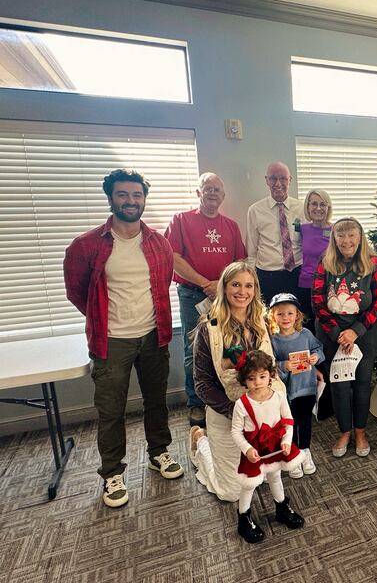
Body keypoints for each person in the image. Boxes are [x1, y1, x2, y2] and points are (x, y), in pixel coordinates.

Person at [63, 168, 182, 508]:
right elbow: (78, 293)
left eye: (137, 195)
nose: (131, 201)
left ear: (144, 199)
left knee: (156, 401)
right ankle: (112, 472)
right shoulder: (86, 246)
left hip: (153, 335)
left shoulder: (159, 243)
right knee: (111, 411)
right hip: (111, 341)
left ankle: (159, 452)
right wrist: (103, 319)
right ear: (111, 198)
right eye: (123, 195)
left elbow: (163, 284)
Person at [190, 261, 277, 503]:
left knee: (261, 479)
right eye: (235, 284)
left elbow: (272, 368)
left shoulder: (262, 322)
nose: (242, 291)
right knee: (230, 493)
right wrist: (236, 411)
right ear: (224, 288)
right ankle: (200, 441)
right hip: (227, 411)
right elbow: (202, 383)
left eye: (248, 285)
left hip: (260, 413)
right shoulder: (210, 328)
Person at [165, 172, 246, 428]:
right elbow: (173, 258)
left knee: (231, 345)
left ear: (223, 196)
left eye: (217, 190)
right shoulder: (181, 220)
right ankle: (196, 404)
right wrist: (205, 283)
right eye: (207, 188)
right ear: (198, 193)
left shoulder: (230, 226)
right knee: (194, 350)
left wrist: (220, 286)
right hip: (193, 296)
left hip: (226, 296)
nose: (212, 193)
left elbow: (239, 263)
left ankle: (225, 397)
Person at [312, 217, 377, 458]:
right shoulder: (325, 264)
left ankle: (361, 432)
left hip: (364, 333)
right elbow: (318, 302)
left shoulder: (373, 263)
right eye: (341, 235)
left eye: (351, 235)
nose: (346, 240)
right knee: (339, 387)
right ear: (334, 239)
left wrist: (356, 331)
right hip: (333, 335)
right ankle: (344, 431)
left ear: (360, 237)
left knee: (362, 385)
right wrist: (337, 334)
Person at [231, 350, 305, 543]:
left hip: (275, 444)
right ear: (244, 380)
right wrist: (247, 449)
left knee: (275, 476)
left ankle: (281, 507)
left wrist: (286, 442)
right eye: (251, 378)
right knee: (249, 484)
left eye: (262, 376)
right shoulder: (241, 404)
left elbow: (288, 421)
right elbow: (236, 432)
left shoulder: (279, 396)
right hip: (254, 449)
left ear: (270, 375)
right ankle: (244, 518)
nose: (257, 382)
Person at [267, 292, 325, 479]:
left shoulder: (306, 334)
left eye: (290, 313)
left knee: (305, 420)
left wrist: (317, 357)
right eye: (280, 314)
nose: (286, 318)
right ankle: (292, 455)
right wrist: (284, 365)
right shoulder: (272, 340)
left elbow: (318, 349)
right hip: (287, 392)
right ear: (273, 316)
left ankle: (305, 451)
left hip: (307, 388)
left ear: (297, 315)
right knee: (289, 424)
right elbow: (270, 365)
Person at [246, 161, 304, 305]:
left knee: (299, 319)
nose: (278, 183)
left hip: (297, 273)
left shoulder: (302, 208)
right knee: (270, 322)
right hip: (268, 276)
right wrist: (253, 281)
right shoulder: (255, 210)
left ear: (290, 179)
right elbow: (252, 252)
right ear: (266, 180)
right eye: (273, 178)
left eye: (283, 178)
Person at [297, 188, 334, 331]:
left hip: (328, 287)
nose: (318, 208)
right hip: (306, 286)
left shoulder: (336, 229)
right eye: (314, 204)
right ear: (307, 207)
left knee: (327, 329)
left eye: (323, 204)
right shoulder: (303, 229)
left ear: (328, 207)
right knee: (308, 328)